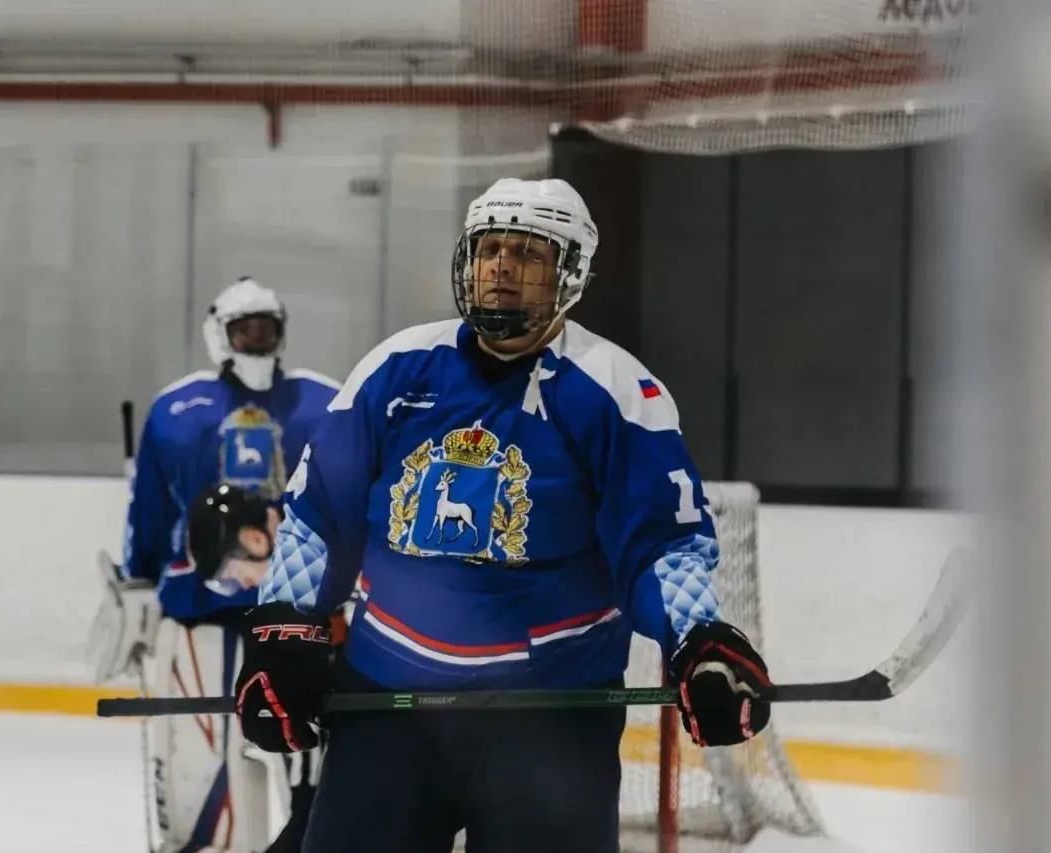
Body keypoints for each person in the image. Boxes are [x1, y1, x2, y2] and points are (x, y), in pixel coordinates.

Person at [233, 179, 773, 852]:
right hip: (389, 705)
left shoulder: (616, 390)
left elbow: (661, 543)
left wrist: (698, 639)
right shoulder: (396, 368)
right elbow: (319, 515)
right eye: (490, 250)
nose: (502, 268)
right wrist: (283, 628)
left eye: (528, 255)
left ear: (570, 274)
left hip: (551, 717)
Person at [89, 277, 338, 852]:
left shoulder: (324, 402)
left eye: (265, 328)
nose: (256, 339)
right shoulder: (178, 409)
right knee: (200, 782)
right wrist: (142, 581)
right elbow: (150, 514)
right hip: (204, 619)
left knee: (312, 785)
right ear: (219, 334)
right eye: (244, 329)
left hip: (296, 620)